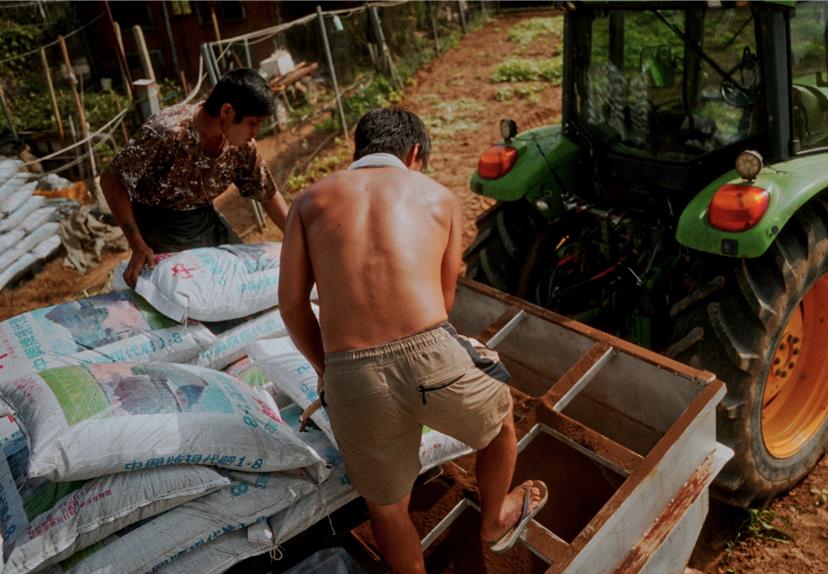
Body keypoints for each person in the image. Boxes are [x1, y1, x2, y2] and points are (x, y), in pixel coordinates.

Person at [278, 107, 547, 573]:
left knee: (386, 508)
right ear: (415, 153)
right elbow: (442, 302)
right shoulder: (439, 197)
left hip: (350, 374)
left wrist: (330, 371)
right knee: (500, 420)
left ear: (357, 151)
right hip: (430, 355)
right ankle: (496, 519)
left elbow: (292, 306)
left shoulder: (309, 201)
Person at [100, 68, 289, 287]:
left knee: (243, 278)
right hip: (158, 226)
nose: (256, 131)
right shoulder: (167, 133)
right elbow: (111, 179)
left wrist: (299, 240)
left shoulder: (241, 147)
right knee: (193, 293)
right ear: (226, 111)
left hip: (205, 221)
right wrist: (137, 243)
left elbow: (266, 193)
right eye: (253, 123)